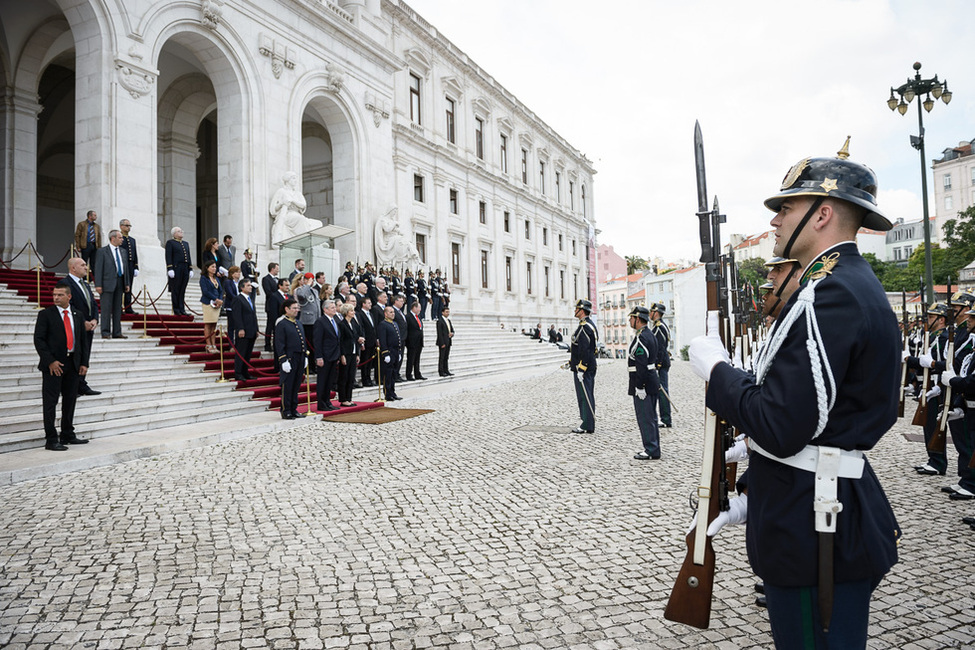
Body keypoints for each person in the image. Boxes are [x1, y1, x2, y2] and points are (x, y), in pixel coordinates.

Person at [688, 143, 900, 647]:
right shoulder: (835, 284)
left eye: (787, 207)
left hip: (815, 528)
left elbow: (782, 424)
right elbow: (814, 419)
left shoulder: (832, 292)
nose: (777, 219)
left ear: (823, 214)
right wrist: (747, 494)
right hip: (808, 508)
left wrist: (717, 372)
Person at [34, 285, 90, 450]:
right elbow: (39, 340)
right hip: (53, 365)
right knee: (50, 402)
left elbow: (82, 341)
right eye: (54, 295)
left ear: (69, 297)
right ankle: (51, 439)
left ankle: (67, 433)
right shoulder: (45, 315)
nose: (56, 298)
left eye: (60, 295)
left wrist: (84, 363)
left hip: (72, 364)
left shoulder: (78, 315)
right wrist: (50, 361)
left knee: (70, 399)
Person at [906, 303, 949, 476]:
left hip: (937, 386)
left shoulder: (944, 337)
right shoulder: (933, 337)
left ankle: (938, 462)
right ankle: (933, 459)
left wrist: (912, 360)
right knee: (928, 424)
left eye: (931, 317)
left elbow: (942, 364)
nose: (927, 320)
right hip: (929, 384)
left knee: (934, 425)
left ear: (941, 319)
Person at [57, 258, 101, 397]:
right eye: (82, 265)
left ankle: (81, 384)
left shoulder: (86, 284)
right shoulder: (64, 283)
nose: (86, 267)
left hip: (88, 327)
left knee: (84, 355)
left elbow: (93, 303)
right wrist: (81, 322)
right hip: (73, 326)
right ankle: (69, 387)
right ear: (73, 268)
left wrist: (94, 319)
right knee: (72, 357)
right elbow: (66, 305)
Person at [627, 306, 660, 460]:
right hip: (652, 380)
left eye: (631, 318)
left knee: (645, 418)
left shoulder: (641, 338)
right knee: (651, 417)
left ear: (638, 319)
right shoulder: (650, 334)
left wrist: (640, 387)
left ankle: (651, 449)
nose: (629, 320)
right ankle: (654, 447)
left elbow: (641, 365)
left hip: (644, 384)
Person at [93, 229, 129, 339]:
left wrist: (127, 283)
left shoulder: (123, 251)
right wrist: (98, 284)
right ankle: (105, 332)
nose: (122, 239)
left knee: (118, 308)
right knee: (106, 309)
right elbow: (98, 269)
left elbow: (125, 268)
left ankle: (117, 332)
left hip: (120, 281)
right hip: (107, 283)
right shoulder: (102, 251)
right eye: (120, 237)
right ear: (112, 238)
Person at [569, 298, 598, 434]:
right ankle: (587, 422)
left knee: (584, 395)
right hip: (584, 366)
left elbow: (587, 350)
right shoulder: (585, 325)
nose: (575, 311)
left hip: (584, 368)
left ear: (581, 311)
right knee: (586, 394)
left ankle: (587, 423)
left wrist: (582, 368)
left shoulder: (585, 327)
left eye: (576, 309)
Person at [275, 298, 307, 419]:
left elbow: (303, 340)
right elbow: (279, 343)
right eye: (294, 308)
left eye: (297, 308)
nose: (296, 310)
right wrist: (283, 360)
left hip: (299, 357)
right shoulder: (282, 323)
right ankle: (286, 409)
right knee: (288, 385)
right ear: (286, 309)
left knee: (296, 384)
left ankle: (294, 409)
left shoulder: (298, 323)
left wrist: (305, 355)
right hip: (289, 358)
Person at [314, 300, 342, 411]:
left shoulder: (334, 320)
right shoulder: (320, 322)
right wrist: (319, 356)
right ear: (325, 309)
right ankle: (321, 403)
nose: (334, 309)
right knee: (323, 380)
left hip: (334, 355)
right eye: (332, 308)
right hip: (324, 356)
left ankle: (327, 401)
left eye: (335, 307)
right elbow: (317, 341)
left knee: (330, 380)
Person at [229, 278, 258, 381]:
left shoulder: (250, 299)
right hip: (243, 330)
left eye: (250, 285)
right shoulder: (238, 299)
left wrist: (256, 329)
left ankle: (245, 372)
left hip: (251, 330)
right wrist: (240, 329)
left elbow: (253, 315)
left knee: (248, 353)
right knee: (241, 353)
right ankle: (238, 373)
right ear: (242, 287)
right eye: (248, 285)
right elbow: (237, 316)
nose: (250, 287)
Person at [649, 302, 672, 428]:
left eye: (651, 312)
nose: (649, 314)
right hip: (662, 363)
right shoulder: (659, 326)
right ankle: (665, 417)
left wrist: (656, 365)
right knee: (661, 390)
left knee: (662, 391)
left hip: (661, 364)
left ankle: (666, 419)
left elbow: (660, 349)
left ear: (656, 313)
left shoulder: (659, 328)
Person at [336, 302, 361, 407]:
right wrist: (342, 355)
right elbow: (340, 341)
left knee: (351, 376)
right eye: (351, 310)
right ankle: (343, 398)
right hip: (346, 353)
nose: (353, 312)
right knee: (344, 376)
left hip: (353, 352)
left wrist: (358, 354)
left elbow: (356, 338)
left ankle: (349, 397)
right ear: (346, 312)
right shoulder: (341, 324)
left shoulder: (354, 323)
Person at [165, 227, 193, 316]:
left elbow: (188, 257)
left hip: (185, 268)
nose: (181, 232)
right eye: (179, 231)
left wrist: (190, 268)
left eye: (182, 231)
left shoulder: (185, 243)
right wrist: (170, 268)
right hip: (176, 268)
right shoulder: (170, 243)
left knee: (182, 289)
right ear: (174, 234)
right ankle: (176, 309)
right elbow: (168, 256)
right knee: (176, 289)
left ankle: (182, 309)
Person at [377, 305, 402, 401]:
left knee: (394, 373)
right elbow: (383, 340)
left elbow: (398, 338)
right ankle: (387, 394)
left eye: (393, 312)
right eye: (390, 312)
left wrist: (399, 352)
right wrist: (385, 353)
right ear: (385, 314)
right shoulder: (383, 324)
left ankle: (393, 392)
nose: (393, 314)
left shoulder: (394, 323)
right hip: (389, 352)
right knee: (387, 374)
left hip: (395, 351)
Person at [199, 259, 224, 353]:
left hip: (217, 304)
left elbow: (220, 290)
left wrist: (220, 299)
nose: (214, 268)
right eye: (212, 267)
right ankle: (208, 344)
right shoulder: (203, 278)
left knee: (214, 325)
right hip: (208, 303)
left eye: (215, 267)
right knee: (208, 324)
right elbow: (205, 291)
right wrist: (216, 299)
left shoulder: (216, 278)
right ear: (207, 268)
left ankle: (214, 344)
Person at [119, 219, 139, 314]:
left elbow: (135, 254)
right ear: (121, 226)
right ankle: (119, 306)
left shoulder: (132, 240)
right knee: (120, 286)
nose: (128, 227)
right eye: (126, 225)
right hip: (122, 265)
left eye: (129, 226)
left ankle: (128, 307)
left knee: (129, 286)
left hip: (130, 265)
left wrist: (136, 266)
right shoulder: (119, 238)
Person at [357, 296, 378, 387]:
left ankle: (368, 377)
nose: (371, 305)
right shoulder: (360, 314)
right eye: (368, 303)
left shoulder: (371, 314)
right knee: (365, 361)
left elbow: (373, 328)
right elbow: (362, 328)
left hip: (372, 341)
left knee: (370, 362)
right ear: (363, 304)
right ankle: (364, 379)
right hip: (366, 341)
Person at [73, 210, 101, 274]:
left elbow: (98, 237)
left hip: (94, 245)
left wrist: (99, 247)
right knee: (84, 261)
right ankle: (84, 277)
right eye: (94, 215)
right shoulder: (82, 224)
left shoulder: (96, 226)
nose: (96, 217)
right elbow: (77, 235)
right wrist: (78, 246)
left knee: (93, 262)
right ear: (90, 216)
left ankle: (92, 278)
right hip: (85, 245)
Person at [405, 299, 425, 381]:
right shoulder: (408, 317)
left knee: (417, 359)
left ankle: (417, 374)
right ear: (414, 308)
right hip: (412, 342)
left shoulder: (418, 317)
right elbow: (407, 329)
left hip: (419, 341)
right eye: (419, 308)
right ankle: (409, 374)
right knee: (411, 359)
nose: (420, 310)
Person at [262, 262, 280, 350]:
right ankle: (267, 344)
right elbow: (268, 292)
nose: (278, 270)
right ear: (272, 269)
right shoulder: (266, 279)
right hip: (271, 306)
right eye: (277, 268)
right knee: (270, 325)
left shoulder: (278, 279)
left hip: (278, 307)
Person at [222, 266, 242, 345]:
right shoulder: (228, 282)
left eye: (239, 272)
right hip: (231, 306)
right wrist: (239, 299)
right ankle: (231, 344)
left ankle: (238, 343)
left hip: (239, 307)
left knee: (238, 326)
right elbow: (230, 293)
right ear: (232, 274)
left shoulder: (240, 282)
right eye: (237, 272)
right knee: (231, 327)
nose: (239, 274)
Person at [392, 294, 408, 382]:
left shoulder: (400, 311)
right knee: (396, 357)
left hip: (403, 338)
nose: (403, 303)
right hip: (397, 338)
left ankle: (397, 373)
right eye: (401, 301)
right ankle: (394, 375)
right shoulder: (392, 311)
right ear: (395, 301)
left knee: (400, 357)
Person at [437, 305, 454, 377]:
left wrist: (452, 334)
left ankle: (446, 370)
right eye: (446, 312)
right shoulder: (439, 321)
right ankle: (441, 371)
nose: (448, 313)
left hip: (448, 341)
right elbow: (439, 333)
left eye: (448, 312)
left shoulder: (448, 320)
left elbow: (452, 330)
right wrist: (442, 343)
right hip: (443, 342)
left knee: (446, 357)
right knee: (442, 357)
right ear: (442, 312)